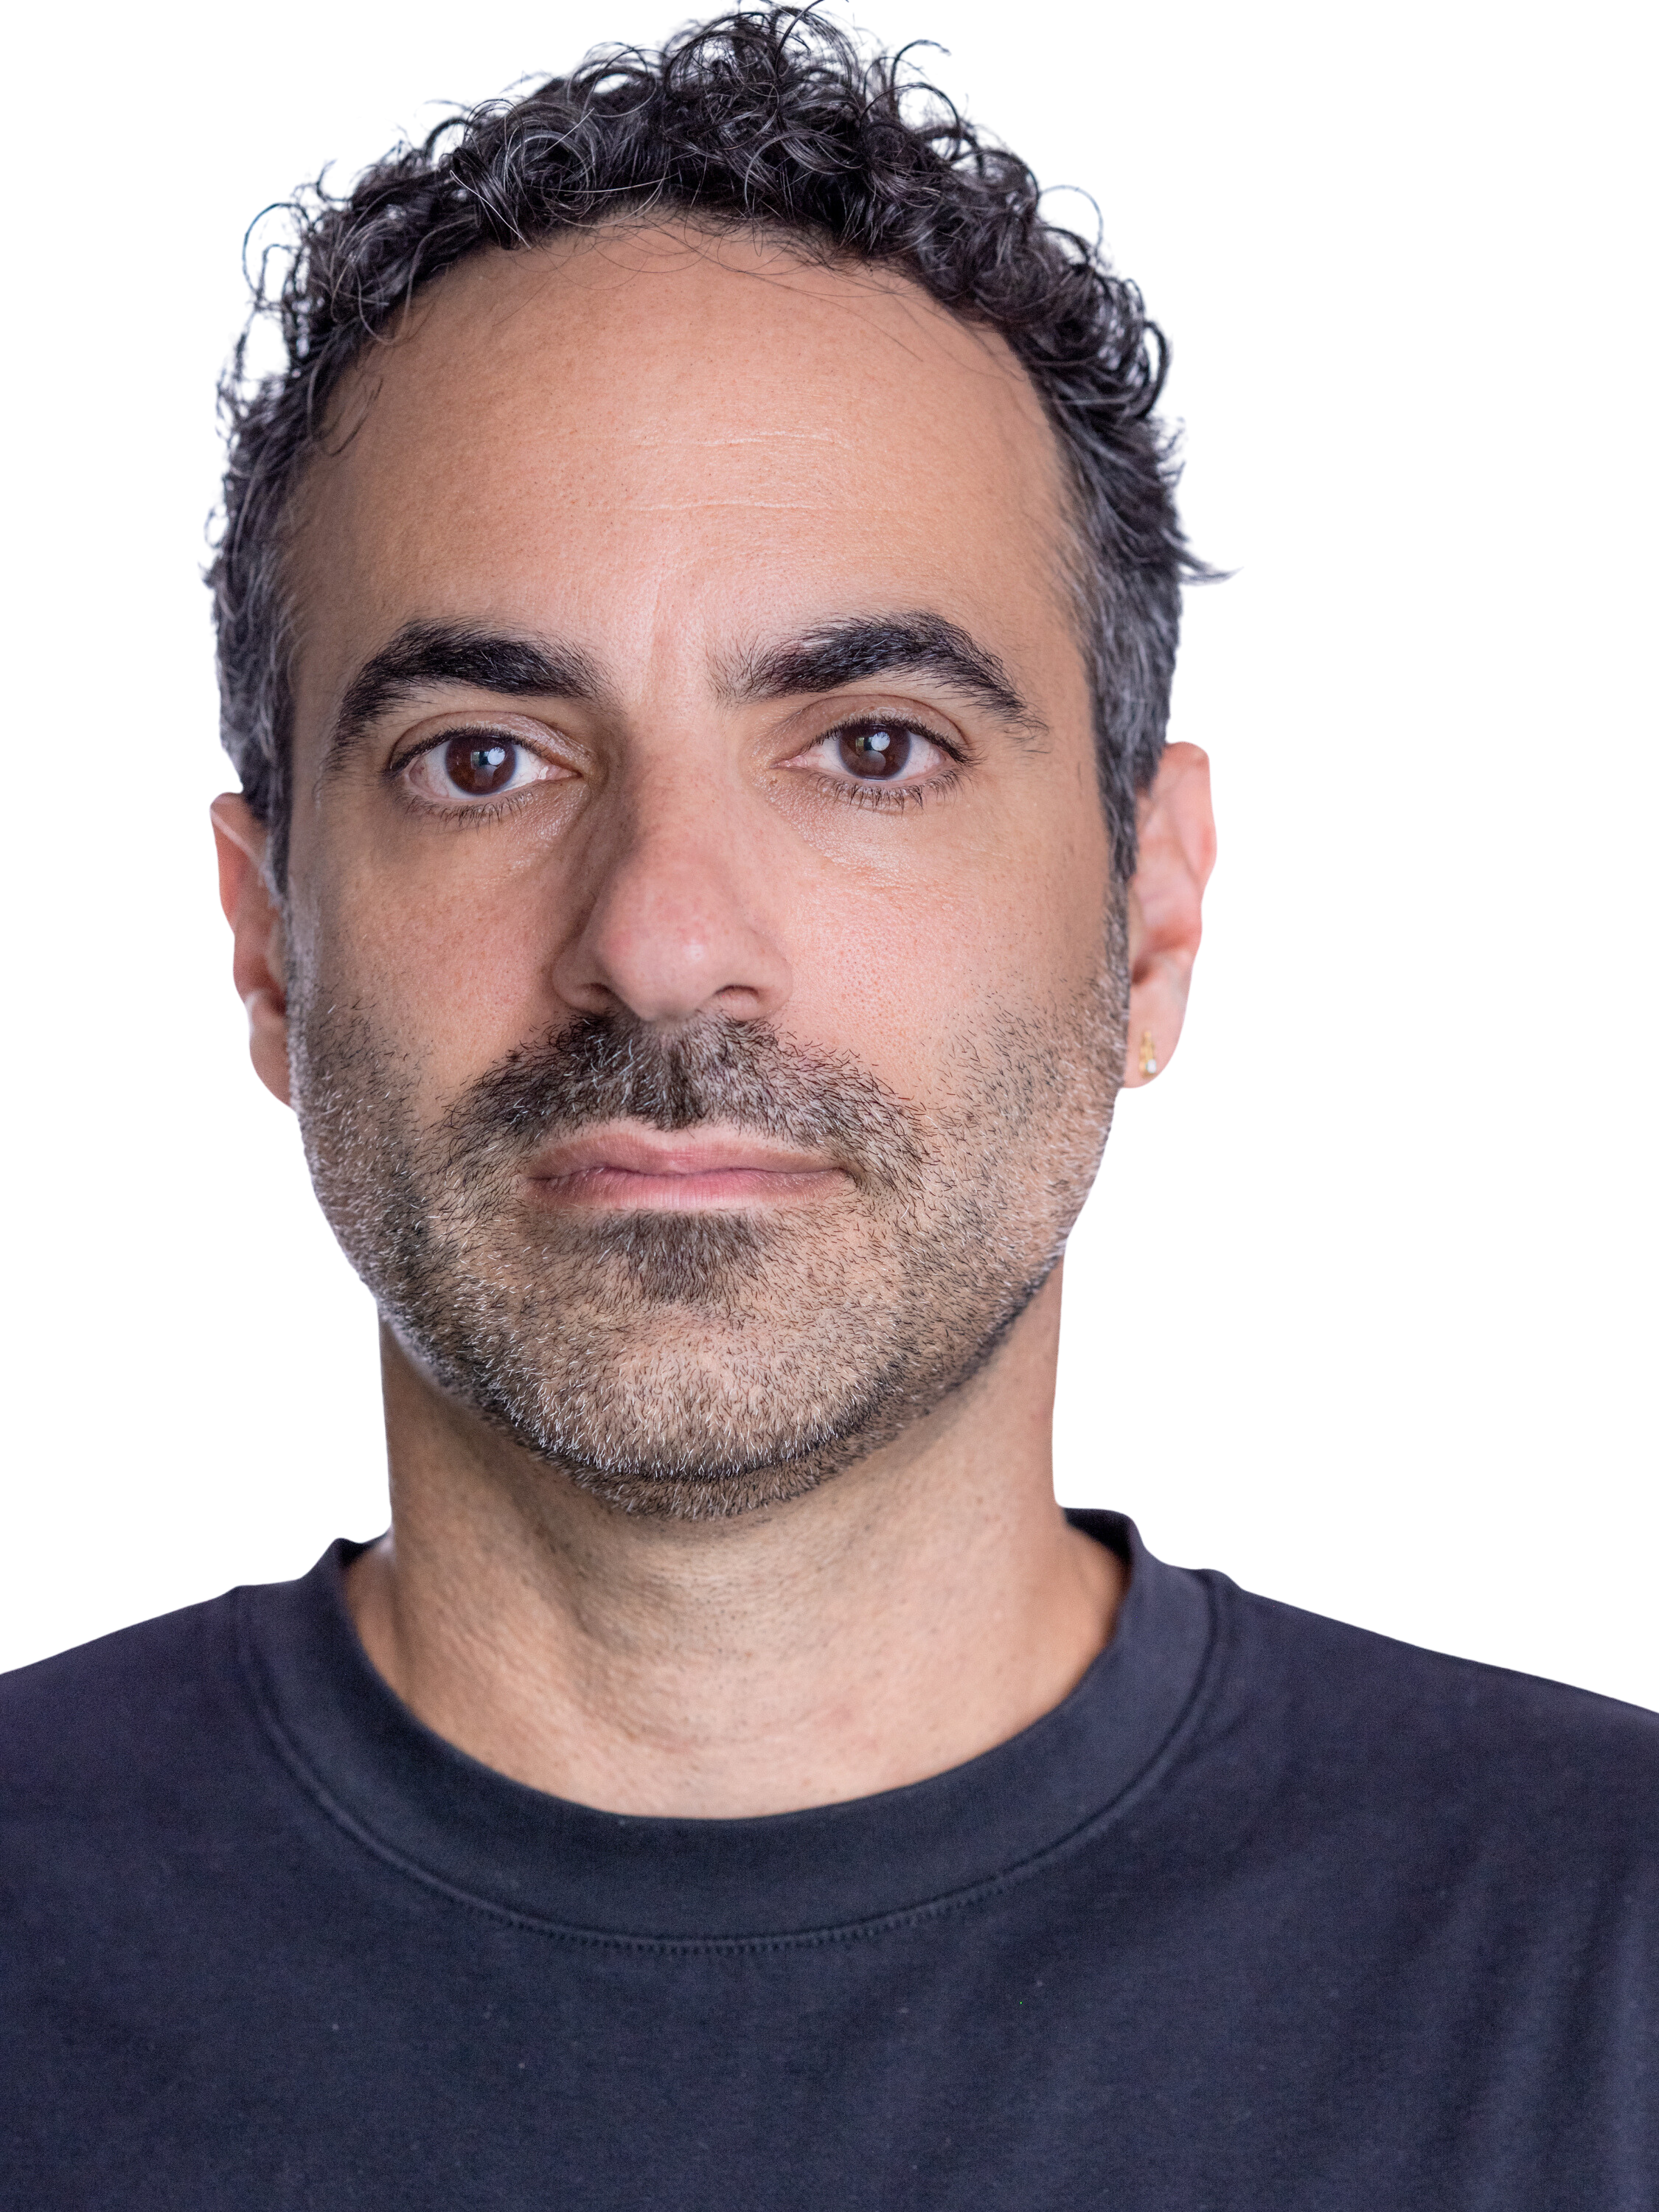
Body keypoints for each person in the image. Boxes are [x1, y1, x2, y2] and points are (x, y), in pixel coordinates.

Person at [4, 11, 1652, 2207]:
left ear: (1152, 918)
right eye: (483, 755)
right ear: (267, 947)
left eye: (873, 746)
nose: (667, 942)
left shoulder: (1613, 1973)